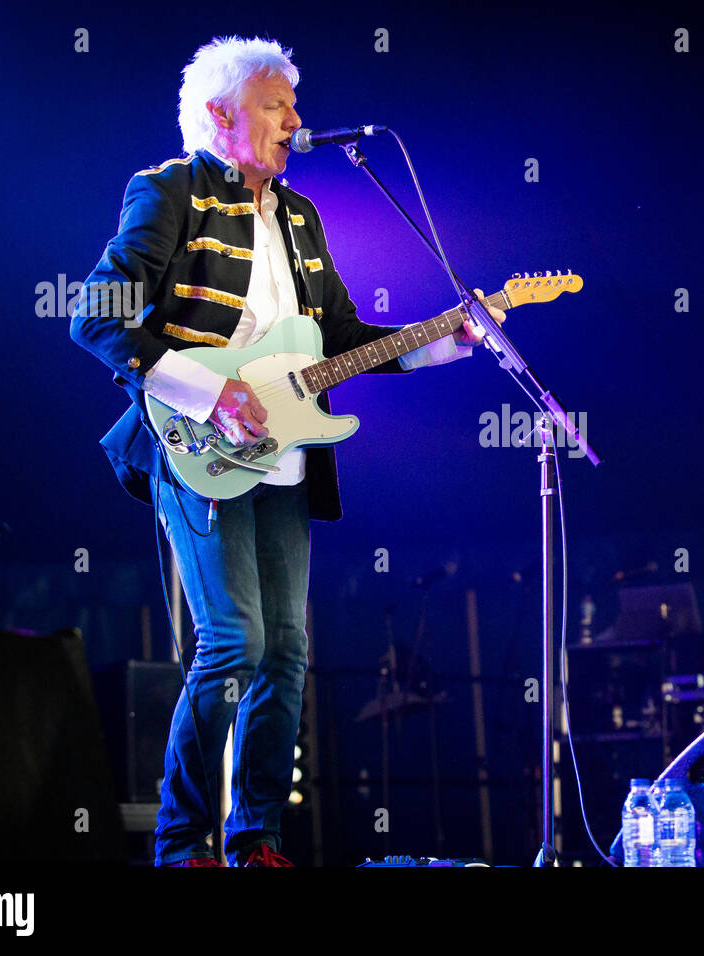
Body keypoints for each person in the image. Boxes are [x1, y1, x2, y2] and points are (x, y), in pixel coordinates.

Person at [69, 36, 504, 866]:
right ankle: (181, 842)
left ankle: (257, 836)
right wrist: (210, 392)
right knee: (234, 644)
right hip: (195, 448)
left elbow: (343, 337)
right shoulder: (170, 191)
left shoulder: (300, 216)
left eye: (294, 105)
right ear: (223, 116)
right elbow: (96, 317)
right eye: (279, 106)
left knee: (288, 651)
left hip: (284, 460)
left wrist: (452, 339)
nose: (297, 121)